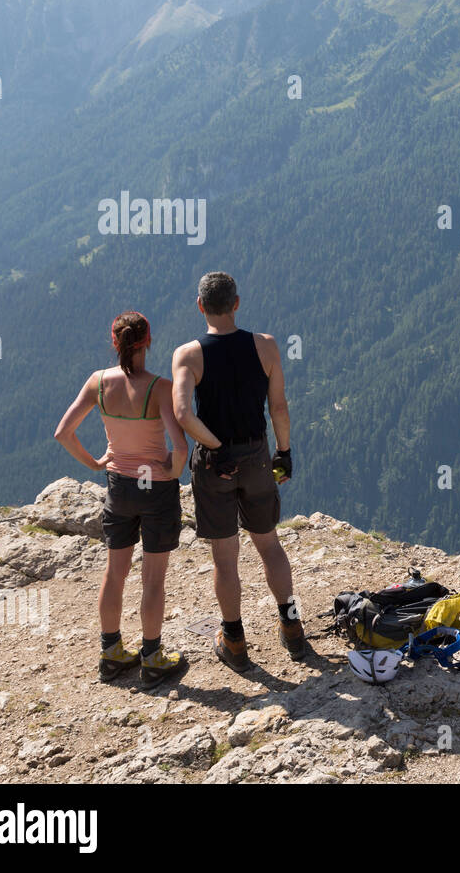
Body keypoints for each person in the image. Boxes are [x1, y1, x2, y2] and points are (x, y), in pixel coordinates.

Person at [171, 272, 302, 671]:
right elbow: (278, 408)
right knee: (269, 545)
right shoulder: (265, 346)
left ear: (200, 306)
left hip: (215, 467)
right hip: (258, 457)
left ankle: (234, 640)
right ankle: (292, 628)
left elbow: (181, 414)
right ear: (237, 303)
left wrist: (213, 447)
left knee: (225, 558)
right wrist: (284, 452)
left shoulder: (188, 354)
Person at [54, 311, 187, 685]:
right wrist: (173, 470)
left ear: (115, 342)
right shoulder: (160, 387)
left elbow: (63, 432)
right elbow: (180, 449)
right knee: (153, 579)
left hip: (119, 486)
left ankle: (111, 654)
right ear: (147, 341)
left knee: (115, 573)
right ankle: (152, 658)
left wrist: (96, 464)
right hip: (155, 489)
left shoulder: (98, 383)